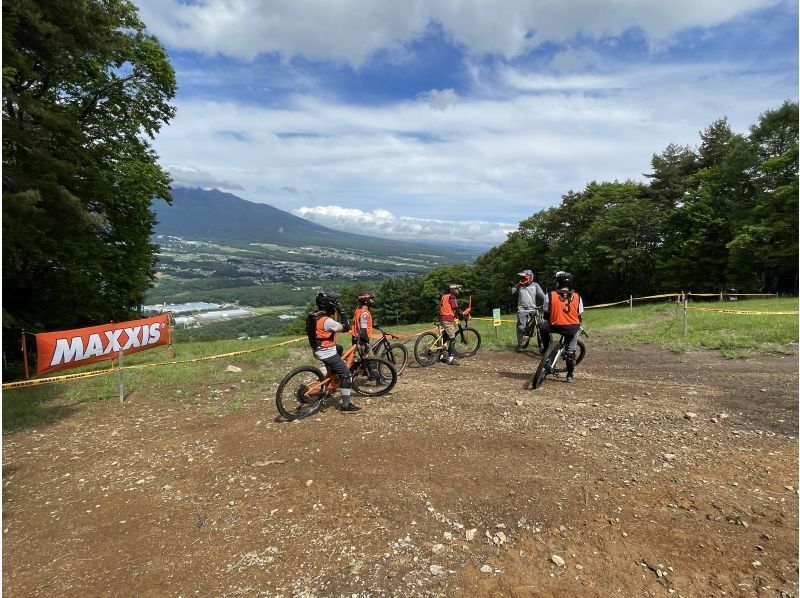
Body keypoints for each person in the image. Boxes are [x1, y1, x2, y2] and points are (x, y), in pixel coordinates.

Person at [309, 292, 361, 412]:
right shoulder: (327, 321)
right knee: (347, 374)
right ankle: (346, 405)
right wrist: (342, 311)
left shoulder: (315, 316)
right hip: (326, 352)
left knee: (339, 348)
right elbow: (346, 327)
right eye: (335, 304)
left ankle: (332, 374)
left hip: (318, 349)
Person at [541, 271, 584, 383]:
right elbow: (579, 314)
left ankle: (546, 350)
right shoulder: (577, 297)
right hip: (572, 328)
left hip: (555, 326)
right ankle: (570, 375)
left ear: (558, 284)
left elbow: (546, 313)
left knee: (542, 327)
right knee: (570, 353)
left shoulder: (550, 295)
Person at [351, 291, 389, 385]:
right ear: (366, 301)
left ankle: (365, 371)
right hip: (362, 339)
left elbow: (359, 323)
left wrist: (372, 325)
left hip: (355, 337)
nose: (372, 301)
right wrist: (366, 342)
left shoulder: (358, 309)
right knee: (371, 359)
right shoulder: (365, 313)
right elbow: (363, 329)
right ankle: (379, 380)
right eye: (371, 299)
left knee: (363, 358)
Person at [510, 269, 546, 351]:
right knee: (521, 327)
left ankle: (542, 344)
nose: (522, 279)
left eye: (524, 277)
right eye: (522, 277)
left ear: (530, 277)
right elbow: (511, 292)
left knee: (540, 326)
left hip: (533, 308)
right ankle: (520, 345)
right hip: (522, 309)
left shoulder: (535, 285)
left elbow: (542, 295)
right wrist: (510, 286)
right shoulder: (519, 285)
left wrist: (548, 302)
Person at [439, 283, 466, 366]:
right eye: (456, 289)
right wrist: (462, 314)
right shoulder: (452, 297)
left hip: (442, 318)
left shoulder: (444, 296)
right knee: (452, 339)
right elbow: (455, 308)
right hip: (447, 320)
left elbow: (448, 308)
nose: (457, 291)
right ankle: (451, 358)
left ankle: (441, 355)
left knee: (445, 337)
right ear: (452, 290)